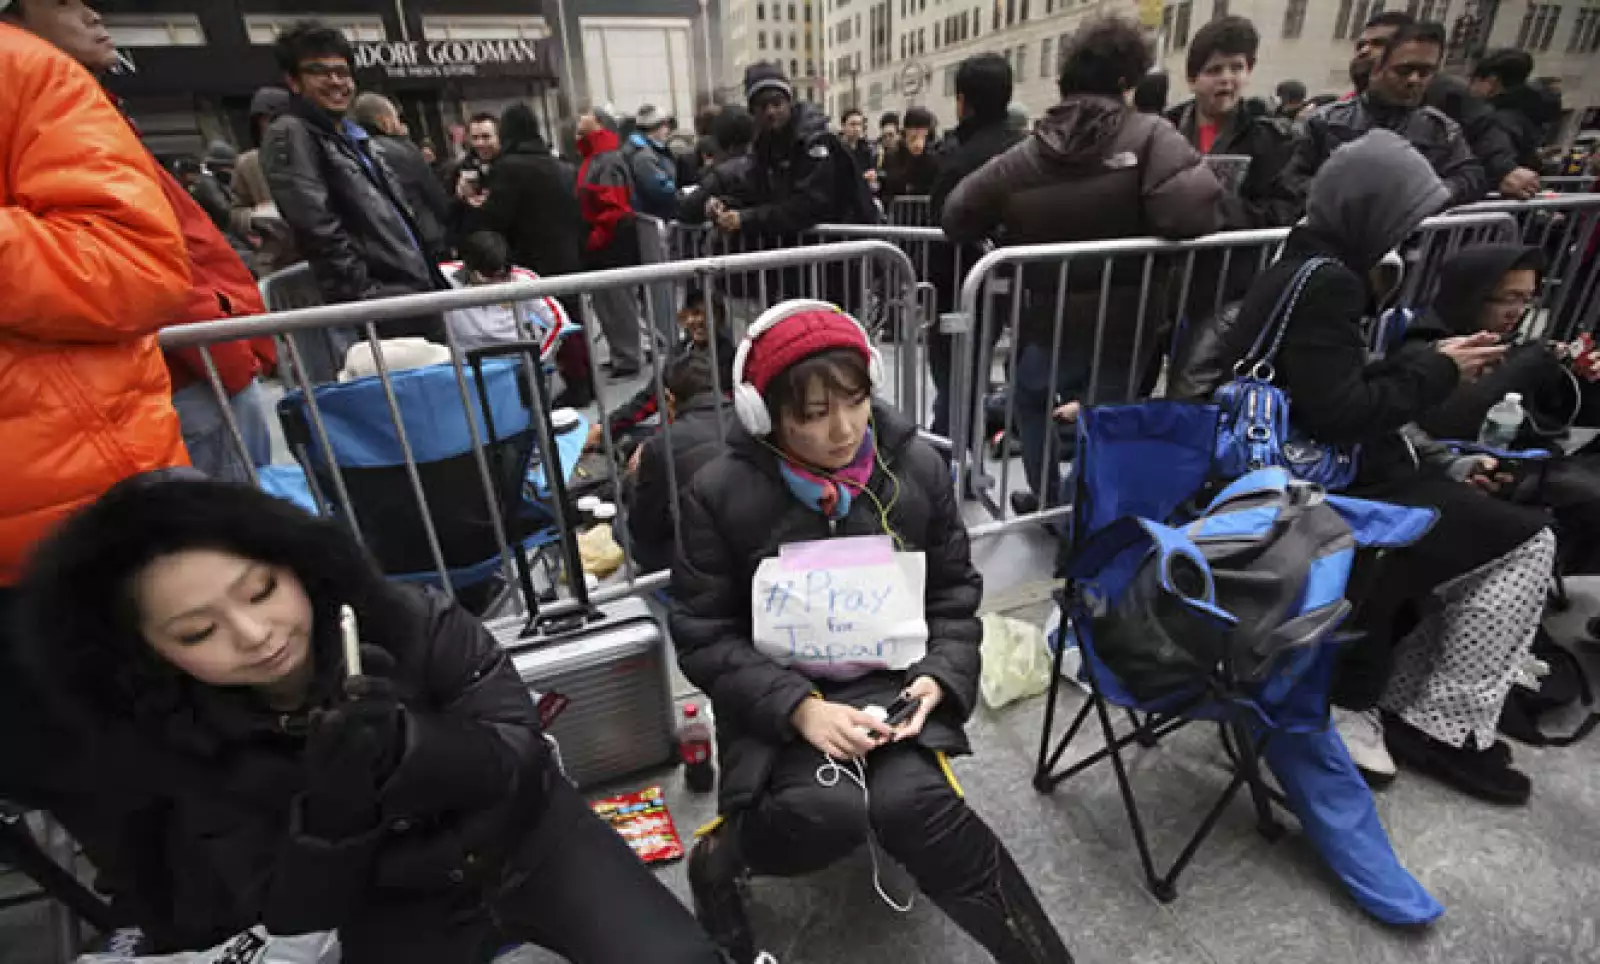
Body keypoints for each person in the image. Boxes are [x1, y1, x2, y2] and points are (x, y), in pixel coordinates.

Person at [15, 474, 725, 963]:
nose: (256, 634)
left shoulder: (414, 622)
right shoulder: (176, 738)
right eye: (199, 633)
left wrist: (414, 747)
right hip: (392, 897)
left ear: (295, 566)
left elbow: (521, 756)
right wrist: (334, 811)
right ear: (151, 655)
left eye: (261, 591)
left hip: (533, 841)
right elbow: (287, 911)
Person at [672, 301, 1074, 964]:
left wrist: (938, 677)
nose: (841, 430)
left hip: (890, 685)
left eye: (854, 402)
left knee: (917, 806)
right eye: (812, 414)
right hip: (782, 695)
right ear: (762, 413)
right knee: (829, 812)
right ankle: (720, 857)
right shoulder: (716, 493)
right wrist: (800, 710)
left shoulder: (915, 468)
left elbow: (952, 594)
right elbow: (702, 632)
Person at [1228, 130, 1552, 803]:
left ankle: (1417, 701)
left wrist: (1423, 365)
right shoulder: (1330, 283)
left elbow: (1332, 388)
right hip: (1331, 485)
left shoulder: (1301, 262)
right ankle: (1441, 719)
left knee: (1497, 522)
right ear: (1371, 210)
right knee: (1527, 539)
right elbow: (1341, 410)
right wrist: (1438, 367)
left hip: (1314, 475)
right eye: (1404, 216)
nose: (1406, 234)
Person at [0, 16, 190, 811]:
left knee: (158, 764)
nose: (94, 14)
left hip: (83, 521)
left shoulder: (21, 71)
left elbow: (137, 264)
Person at [942, 15, 1221, 513]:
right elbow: (1193, 211)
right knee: (1109, 417)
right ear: (1126, 80)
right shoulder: (1151, 136)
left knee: (1029, 400)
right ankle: (1085, 506)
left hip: (1048, 317)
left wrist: (1009, 232)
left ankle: (1050, 500)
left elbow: (959, 212)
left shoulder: (1030, 151)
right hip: (1127, 321)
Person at [7, 0, 278, 486]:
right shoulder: (40, 88)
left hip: (192, 364)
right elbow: (133, 262)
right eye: (63, 3)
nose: (92, 15)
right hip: (171, 374)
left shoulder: (83, 110)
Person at [1406, 245, 1600, 570]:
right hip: (1467, 464)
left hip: (1533, 458)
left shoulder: (1509, 344)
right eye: (1508, 298)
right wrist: (1533, 361)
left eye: (1526, 299)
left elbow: (1573, 411)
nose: (1518, 311)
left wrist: (1587, 378)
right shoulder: (1424, 346)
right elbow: (1454, 420)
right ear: (1473, 295)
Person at [263, 21, 444, 339]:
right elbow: (317, 227)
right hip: (380, 305)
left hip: (410, 291)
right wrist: (366, 295)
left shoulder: (348, 136)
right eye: (320, 72)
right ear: (294, 81)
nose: (336, 82)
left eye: (343, 72)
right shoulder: (291, 133)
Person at [1282, 21, 1486, 208]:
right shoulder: (1325, 122)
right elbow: (1291, 179)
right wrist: (1343, 198)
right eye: (1404, 70)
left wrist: (1429, 194)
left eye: (1425, 72)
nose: (1414, 80)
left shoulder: (1442, 130)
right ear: (1377, 69)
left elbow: (1471, 177)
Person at [926, 53, 1024, 439]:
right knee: (972, 372)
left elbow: (943, 218)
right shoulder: (1027, 150)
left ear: (962, 101)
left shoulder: (960, 158)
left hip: (958, 281)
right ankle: (959, 448)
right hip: (1006, 283)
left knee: (954, 376)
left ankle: (950, 455)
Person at [707, 62, 874, 243]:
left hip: (843, 249)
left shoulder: (814, 139)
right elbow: (759, 194)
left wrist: (746, 218)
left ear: (789, 102)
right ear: (753, 111)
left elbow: (810, 205)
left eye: (777, 103)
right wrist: (725, 206)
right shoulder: (763, 144)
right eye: (762, 105)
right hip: (808, 252)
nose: (770, 111)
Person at [1164, 16, 1297, 229]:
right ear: (1192, 80)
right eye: (1214, 70)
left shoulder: (1271, 138)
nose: (1226, 78)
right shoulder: (1164, 130)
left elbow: (1282, 211)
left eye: (1236, 68)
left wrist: (1216, 208)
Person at [620, 352, 731, 574]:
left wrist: (634, 481)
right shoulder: (750, 419)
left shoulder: (661, 446)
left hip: (705, 555)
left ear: (670, 398)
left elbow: (643, 528)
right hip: (756, 538)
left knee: (620, 528)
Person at [586, 289, 736, 452]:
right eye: (695, 313)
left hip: (704, 435)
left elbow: (711, 418)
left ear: (720, 321)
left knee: (634, 448)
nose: (699, 321)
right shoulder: (680, 350)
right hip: (677, 427)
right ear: (683, 317)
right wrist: (605, 426)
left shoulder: (728, 359)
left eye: (708, 315)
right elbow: (651, 397)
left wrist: (652, 443)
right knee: (616, 437)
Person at [575, 106, 645, 377]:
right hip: (602, 240)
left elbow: (614, 206)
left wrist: (597, 236)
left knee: (618, 302)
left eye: (585, 123)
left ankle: (627, 356)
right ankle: (620, 352)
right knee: (607, 303)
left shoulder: (607, 161)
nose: (578, 129)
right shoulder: (595, 159)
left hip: (611, 242)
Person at [352, 92, 452, 259]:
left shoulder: (350, 151)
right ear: (385, 121)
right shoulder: (403, 150)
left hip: (381, 245)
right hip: (423, 238)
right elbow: (434, 196)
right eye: (397, 117)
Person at [229, 87, 297, 275]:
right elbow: (235, 212)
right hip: (276, 259)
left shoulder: (314, 153)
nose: (271, 127)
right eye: (265, 121)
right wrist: (254, 216)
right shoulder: (248, 164)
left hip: (322, 254)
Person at [1471, 49, 1561, 191]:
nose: (1471, 88)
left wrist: (1505, 172)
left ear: (1492, 81)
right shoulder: (1525, 114)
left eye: (1474, 80)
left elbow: (1498, 159)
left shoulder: (1499, 119)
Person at [625, 105, 679, 219]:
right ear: (655, 127)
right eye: (665, 125)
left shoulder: (644, 149)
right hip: (655, 218)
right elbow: (661, 191)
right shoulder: (644, 157)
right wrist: (683, 194)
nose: (668, 130)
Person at [840, 107, 874, 175]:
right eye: (853, 124)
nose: (857, 128)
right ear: (843, 126)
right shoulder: (836, 150)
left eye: (859, 124)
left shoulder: (866, 150)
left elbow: (870, 170)